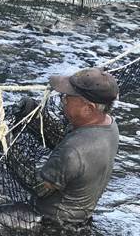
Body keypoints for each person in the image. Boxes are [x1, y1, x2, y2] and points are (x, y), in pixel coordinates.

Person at [13, 67, 119, 227]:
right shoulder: (109, 124)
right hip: (80, 219)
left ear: (88, 108)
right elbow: (63, 140)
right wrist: (35, 118)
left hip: (51, 225)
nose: (63, 100)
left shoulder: (72, 151)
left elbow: (37, 186)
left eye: (68, 97)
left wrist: (9, 148)